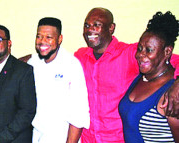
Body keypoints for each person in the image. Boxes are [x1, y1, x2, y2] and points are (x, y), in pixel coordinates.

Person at [74, 7, 179, 142]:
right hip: (89, 139)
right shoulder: (80, 57)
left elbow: (169, 60)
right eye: (87, 25)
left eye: (97, 25)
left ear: (111, 28)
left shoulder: (128, 54)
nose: (90, 29)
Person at [26, 17, 89, 143]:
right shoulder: (33, 62)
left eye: (49, 37)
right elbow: (20, 61)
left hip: (61, 137)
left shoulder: (71, 65)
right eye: (39, 36)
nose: (42, 41)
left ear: (60, 39)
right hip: (36, 135)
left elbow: (79, 113)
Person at [119, 11, 179, 143]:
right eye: (139, 48)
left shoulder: (173, 93)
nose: (140, 55)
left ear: (167, 51)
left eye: (149, 50)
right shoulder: (140, 78)